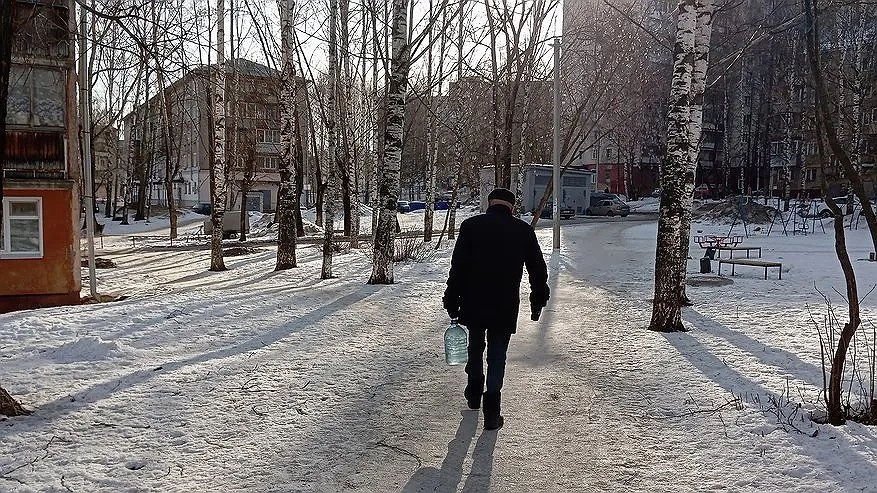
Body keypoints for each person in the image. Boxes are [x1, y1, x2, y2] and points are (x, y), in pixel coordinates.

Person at [443, 188, 549, 430]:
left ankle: (473, 392)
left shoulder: (471, 226)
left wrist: (451, 297)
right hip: (504, 303)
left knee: (475, 347)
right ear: (512, 207)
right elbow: (537, 269)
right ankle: (492, 411)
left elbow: (458, 266)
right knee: (497, 355)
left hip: (473, 300)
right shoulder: (522, 230)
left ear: (489, 203)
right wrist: (538, 299)